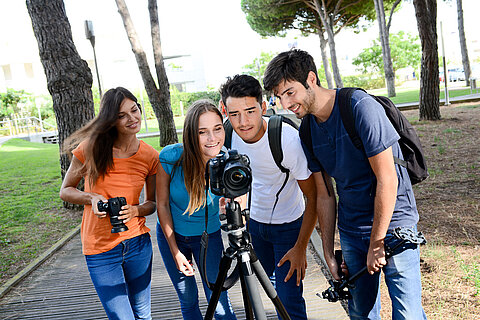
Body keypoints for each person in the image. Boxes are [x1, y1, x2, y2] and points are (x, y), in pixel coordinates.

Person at [263, 49, 427, 320]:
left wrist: (377, 243)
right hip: (352, 230)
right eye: (279, 97)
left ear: (311, 79)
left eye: (290, 92)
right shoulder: (307, 130)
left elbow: (388, 178)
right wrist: (328, 251)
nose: (285, 104)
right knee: (360, 313)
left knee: (407, 314)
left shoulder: (359, 107)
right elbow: (325, 194)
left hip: (395, 225)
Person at [219, 74, 318, 320]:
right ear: (225, 111)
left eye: (250, 111)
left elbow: (313, 196)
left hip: (288, 228)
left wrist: (301, 247)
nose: (243, 122)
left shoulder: (285, 139)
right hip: (253, 224)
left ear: (263, 107)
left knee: (288, 300)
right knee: (252, 293)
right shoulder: (228, 134)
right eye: (234, 114)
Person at [59, 87, 158, 320]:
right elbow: (65, 191)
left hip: (137, 244)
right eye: (122, 115)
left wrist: (134, 210)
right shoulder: (90, 149)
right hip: (100, 249)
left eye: (134, 110)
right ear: (111, 121)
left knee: (143, 315)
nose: (132, 118)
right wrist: (91, 197)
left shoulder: (150, 156)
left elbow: (151, 204)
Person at [155, 99, 236, 320]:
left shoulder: (226, 160)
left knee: (219, 302)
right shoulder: (170, 157)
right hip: (173, 237)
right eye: (203, 132)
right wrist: (175, 251)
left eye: (217, 129)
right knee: (188, 300)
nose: (213, 139)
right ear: (191, 134)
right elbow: (161, 205)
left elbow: (239, 198)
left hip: (209, 237)